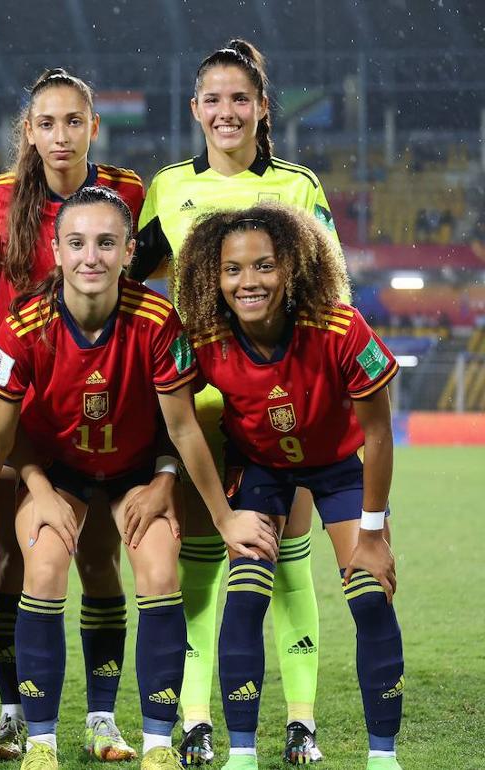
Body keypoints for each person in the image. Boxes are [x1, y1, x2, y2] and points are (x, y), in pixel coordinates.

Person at [0, 187, 277, 770]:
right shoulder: (24, 323)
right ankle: (41, 744)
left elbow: (182, 427)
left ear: (129, 251)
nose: (91, 256)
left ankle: (156, 744)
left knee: (159, 568)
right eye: (77, 243)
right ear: (56, 251)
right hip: (56, 470)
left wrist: (198, 501)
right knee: (44, 563)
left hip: (137, 470)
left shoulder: (156, 320)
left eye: (107, 243)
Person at [129, 39, 340, 765]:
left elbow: (330, 293)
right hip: (203, 409)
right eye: (213, 99)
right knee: (203, 562)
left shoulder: (298, 187)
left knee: (286, 561)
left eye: (239, 98)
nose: (227, 111)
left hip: (287, 408)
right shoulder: (168, 189)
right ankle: (196, 720)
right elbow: (130, 286)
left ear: (261, 107)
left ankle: (301, 722)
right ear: (195, 109)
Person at [175, 204, 403, 770]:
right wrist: (220, 513)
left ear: (293, 268)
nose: (247, 281)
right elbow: (176, 421)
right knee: (246, 596)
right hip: (261, 471)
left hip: (339, 468)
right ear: (213, 277)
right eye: (232, 269)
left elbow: (378, 434)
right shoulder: (205, 340)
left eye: (264, 266)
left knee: (370, 595)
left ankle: (383, 757)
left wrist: (373, 534)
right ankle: (242, 755)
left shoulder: (340, 328)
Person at [0, 67, 146, 763]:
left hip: (95, 399)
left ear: (93, 127)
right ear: (28, 131)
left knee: (99, 557)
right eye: (46, 123)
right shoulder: (0, 196)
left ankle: (102, 719)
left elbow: (136, 279)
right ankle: (13, 715)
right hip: (18, 405)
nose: (60, 136)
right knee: (13, 559)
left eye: (73, 121)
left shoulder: (127, 192)